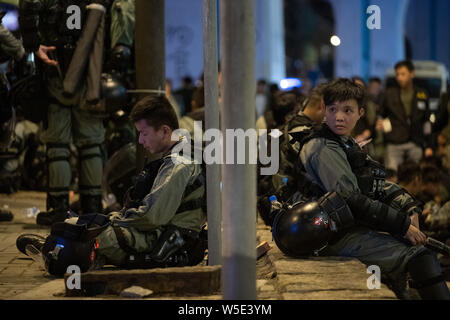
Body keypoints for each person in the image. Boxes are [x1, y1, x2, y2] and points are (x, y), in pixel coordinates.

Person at [291, 78, 449, 299]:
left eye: (347, 110)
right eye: (333, 109)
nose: (339, 116)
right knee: (418, 256)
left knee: (415, 253)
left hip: (345, 227)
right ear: (324, 110)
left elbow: (373, 184)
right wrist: (402, 225)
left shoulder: (344, 143)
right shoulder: (322, 147)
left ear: (361, 113)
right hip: (332, 236)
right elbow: (349, 198)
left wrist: (409, 206)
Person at [16, 95, 207, 274]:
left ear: (165, 130)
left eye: (144, 133)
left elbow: (151, 217)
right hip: (164, 234)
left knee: (87, 234)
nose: (141, 141)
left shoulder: (178, 164)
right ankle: (61, 250)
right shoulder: (180, 156)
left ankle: (53, 252)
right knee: (83, 227)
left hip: (165, 241)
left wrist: (111, 220)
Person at [18, 0, 119, 225]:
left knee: (58, 145)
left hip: (55, 68)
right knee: (92, 144)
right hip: (91, 73)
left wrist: (33, 43)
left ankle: (58, 208)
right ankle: (92, 206)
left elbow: (29, 6)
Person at [376, 60, 433, 171]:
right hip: (394, 142)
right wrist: (384, 127)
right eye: (397, 74)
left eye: (403, 74)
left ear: (412, 74)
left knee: (415, 177)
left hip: (416, 142)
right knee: (392, 179)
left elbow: (427, 121)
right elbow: (380, 115)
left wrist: (430, 145)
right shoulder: (389, 93)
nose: (399, 77)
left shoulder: (422, 94)